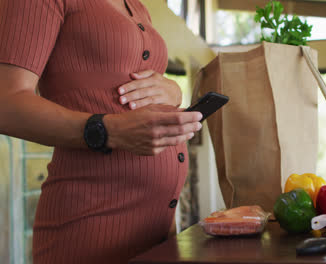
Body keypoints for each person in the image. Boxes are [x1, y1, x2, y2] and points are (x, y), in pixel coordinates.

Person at [0, 0, 202, 263]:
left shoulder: (137, 6)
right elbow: (6, 102)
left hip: (158, 231)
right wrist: (108, 131)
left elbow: (123, 85)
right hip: (90, 228)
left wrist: (172, 91)